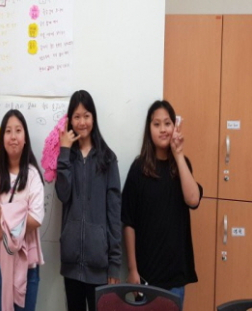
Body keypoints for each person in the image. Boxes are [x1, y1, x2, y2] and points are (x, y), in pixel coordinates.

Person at [121, 100, 202, 309]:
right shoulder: (138, 168)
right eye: (157, 124)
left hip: (175, 277)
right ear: (149, 129)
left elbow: (193, 200)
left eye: (167, 123)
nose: (163, 129)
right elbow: (128, 222)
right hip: (145, 277)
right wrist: (132, 269)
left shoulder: (182, 165)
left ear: (174, 126)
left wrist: (178, 154)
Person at [55, 90, 121, 311]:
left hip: (99, 264)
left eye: (86, 116)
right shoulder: (66, 157)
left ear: (94, 118)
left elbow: (114, 214)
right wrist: (65, 151)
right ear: (70, 121)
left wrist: (114, 264)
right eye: (76, 116)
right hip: (71, 262)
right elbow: (63, 194)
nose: (82, 122)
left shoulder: (108, 159)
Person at [0, 109, 44, 311]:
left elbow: (36, 218)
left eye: (18, 130)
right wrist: (20, 211)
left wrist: (5, 228)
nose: (13, 136)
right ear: (2, 138)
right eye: (8, 131)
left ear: (25, 138)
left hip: (28, 265)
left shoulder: (33, 175)